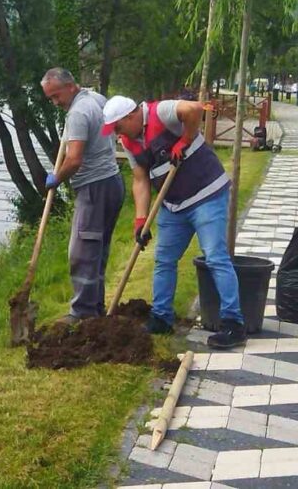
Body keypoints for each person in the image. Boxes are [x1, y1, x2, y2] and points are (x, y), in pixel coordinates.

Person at [101, 95, 246, 349]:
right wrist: (141, 220)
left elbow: (194, 109)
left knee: (214, 256)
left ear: (131, 116)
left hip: (206, 195)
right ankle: (162, 318)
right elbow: (140, 180)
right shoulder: (129, 141)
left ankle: (233, 323)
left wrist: (185, 140)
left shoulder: (161, 112)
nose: (116, 134)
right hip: (173, 205)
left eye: (118, 127)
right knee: (164, 260)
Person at [40, 68, 125, 324]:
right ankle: (95, 308)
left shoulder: (78, 112)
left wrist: (57, 177)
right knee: (97, 249)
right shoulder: (97, 99)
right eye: (51, 99)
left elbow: (74, 159)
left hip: (94, 187)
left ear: (69, 86)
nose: (56, 103)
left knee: (82, 252)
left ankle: (82, 312)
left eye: (56, 96)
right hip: (112, 183)